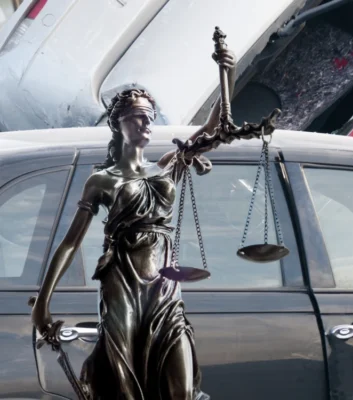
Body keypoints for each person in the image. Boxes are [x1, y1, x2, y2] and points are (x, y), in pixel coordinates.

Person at [30, 46, 249, 400]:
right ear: (119, 124)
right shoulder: (101, 180)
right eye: (138, 118)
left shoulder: (168, 165)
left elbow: (215, 126)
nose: (147, 124)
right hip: (122, 284)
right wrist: (42, 303)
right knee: (124, 381)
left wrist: (229, 72)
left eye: (150, 117)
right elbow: (70, 243)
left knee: (181, 384)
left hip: (164, 286)